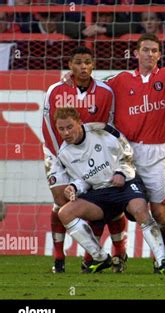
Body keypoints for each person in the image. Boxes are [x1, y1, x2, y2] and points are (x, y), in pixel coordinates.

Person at [42, 46, 128, 274]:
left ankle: (111, 253)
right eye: (78, 62)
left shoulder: (105, 92)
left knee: (101, 201)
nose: (83, 67)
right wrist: (63, 157)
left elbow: (108, 127)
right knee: (62, 201)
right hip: (58, 154)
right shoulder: (55, 91)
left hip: (92, 156)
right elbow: (48, 127)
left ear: (93, 64)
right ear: (70, 64)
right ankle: (59, 256)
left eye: (87, 62)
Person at [54, 108, 165, 274]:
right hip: (100, 194)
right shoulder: (64, 153)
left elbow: (128, 155)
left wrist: (121, 173)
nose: (66, 133)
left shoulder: (102, 131)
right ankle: (100, 257)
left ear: (80, 123)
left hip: (125, 184)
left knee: (140, 210)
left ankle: (162, 262)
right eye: (61, 129)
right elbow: (83, 180)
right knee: (64, 213)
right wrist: (74, 188)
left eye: (70, 127)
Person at [105, 33, 165, 274]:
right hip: (129, 153)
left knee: (159, 212)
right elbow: (95, 88)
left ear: (159, 54)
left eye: (154, 50)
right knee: (119, 207)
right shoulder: (120, 80)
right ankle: (119, 254)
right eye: (145, 50)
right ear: (135, 53)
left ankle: (160, 258)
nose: (149, 54)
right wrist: (70, 79)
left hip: (160, 152)